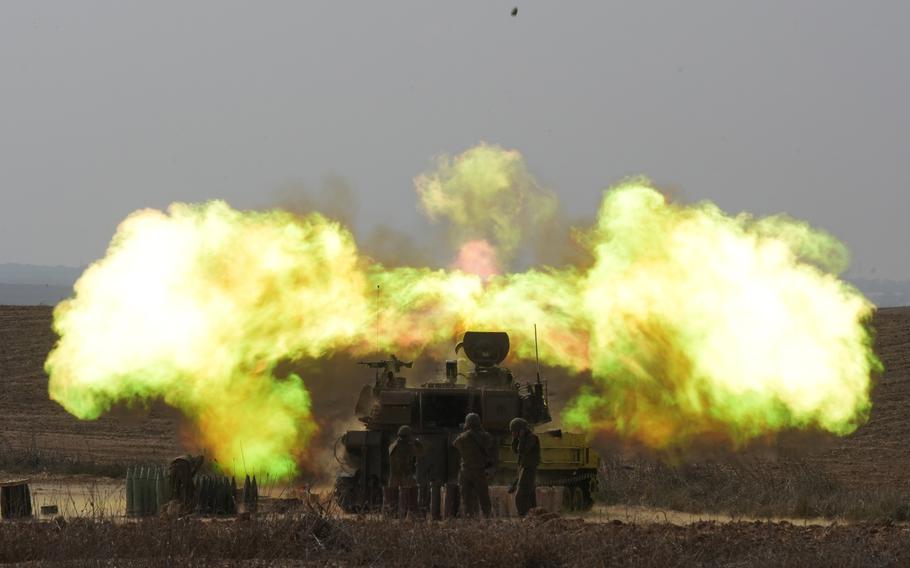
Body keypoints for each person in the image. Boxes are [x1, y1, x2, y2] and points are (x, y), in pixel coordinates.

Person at [452, 412, 494, 518]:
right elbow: (489, 443)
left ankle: (470, 519)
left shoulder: (462, 438)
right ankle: (487, 517)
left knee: (467, 498)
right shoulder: (485, 436)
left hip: (465, 471)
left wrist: (465, 431)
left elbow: (455, 444)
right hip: (479, 471)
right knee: (483, 497)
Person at [387, 425, 424, 518]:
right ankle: (410, 513)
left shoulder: (393, 445)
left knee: (393, 499)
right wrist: (416, 441)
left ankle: (393, 515)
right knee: (411, 492)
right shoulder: (407, 447)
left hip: (394, 476)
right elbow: (420, 451)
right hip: (404, 476)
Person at [509, 417, 540, 516]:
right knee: (530, 495)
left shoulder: (532, 438)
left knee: (521, 496)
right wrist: (515, 438)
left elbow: (522, 450)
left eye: (514, 431)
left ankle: (523, 516)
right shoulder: (524, 438)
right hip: (525, 468)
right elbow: (515, 450)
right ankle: (533, 516)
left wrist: (521, 438)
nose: (513, 433)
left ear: (521, 430)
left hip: (530, 469)